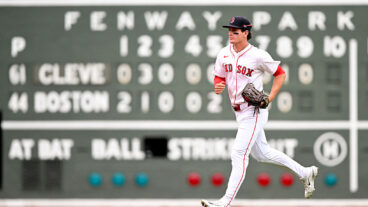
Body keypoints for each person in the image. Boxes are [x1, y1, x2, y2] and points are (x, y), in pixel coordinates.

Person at [201, 16, 318, 207]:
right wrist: (218, 85)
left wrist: (270, 98)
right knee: (262, 154)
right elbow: (218, 76)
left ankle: (225, 202)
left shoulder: (258, 55)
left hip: (254, 111)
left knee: (238, 154)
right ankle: (305, 173)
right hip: (238, 112)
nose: (231, 34)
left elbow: (280, 74)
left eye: (235, 31)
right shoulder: (223, 53)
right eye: (229, 30)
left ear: (246, 33)